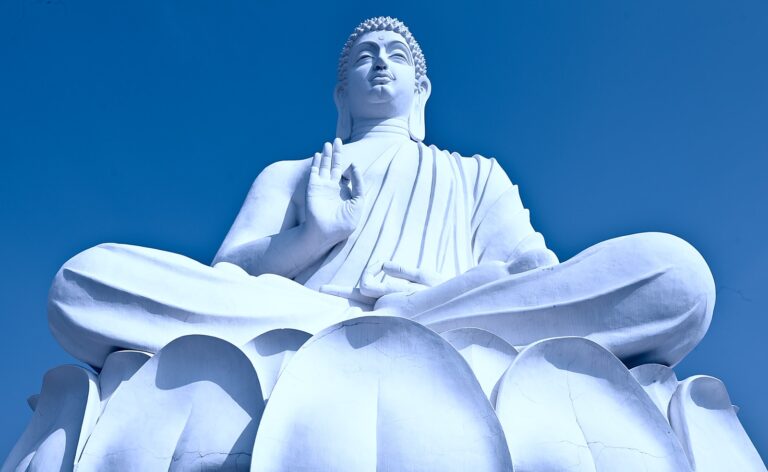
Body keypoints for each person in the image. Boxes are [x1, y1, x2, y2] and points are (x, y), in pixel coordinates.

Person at [49, 17, 714, 369]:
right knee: (84, 282)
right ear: (341, 95)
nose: (379, 63)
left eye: (395, 55)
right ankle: (391, 337)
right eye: (364, 56)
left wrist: (519, 283)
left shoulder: (474, 174)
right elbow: (227, 275)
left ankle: (419, 327)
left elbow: (531, 269)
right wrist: (312, 237)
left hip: (450, 309)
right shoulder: (290, 175)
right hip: (299, 318)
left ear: (420, 90)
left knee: (675, 275)